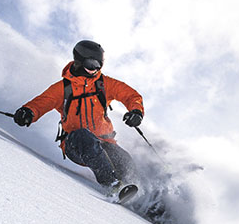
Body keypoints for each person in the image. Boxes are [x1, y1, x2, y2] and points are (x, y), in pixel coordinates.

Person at [14, 40, 144, 193]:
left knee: (125, 162)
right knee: (84, 137)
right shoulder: (63, 88)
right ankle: (113, 187)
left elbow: (131, 95)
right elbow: (42, 102)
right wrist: (28, 112)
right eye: (91, 64)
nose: (95, 69)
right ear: (79, 61)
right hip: (75, 144)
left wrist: (136, 111)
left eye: (99, 65)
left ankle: (145, 199)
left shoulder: (104, 84)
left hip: (105, 142)